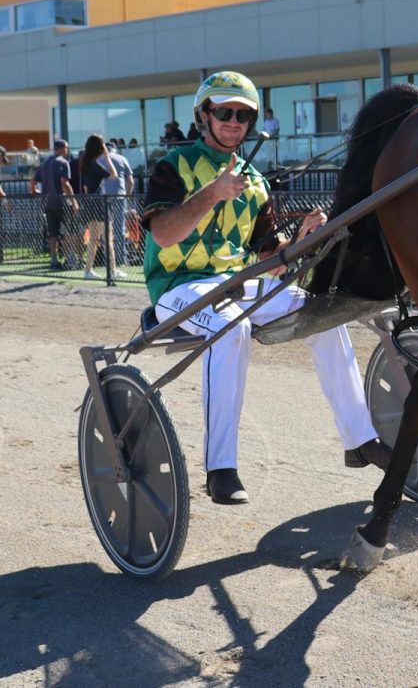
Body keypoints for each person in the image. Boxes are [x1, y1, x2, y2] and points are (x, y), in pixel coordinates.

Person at [141, 70, 390, 504]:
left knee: (323, 314)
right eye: (225, 112)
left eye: (243, 115)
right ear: (204, 114)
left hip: (240, 285)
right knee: (230, 328)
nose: (234, 121)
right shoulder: (172, 166)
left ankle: (360, 438)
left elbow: (271, 260)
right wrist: (213, 194)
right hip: (179, 289)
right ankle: (221, 469)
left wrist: (304, 239)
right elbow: (163, 234)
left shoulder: (254, 182)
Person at [79, 135, 123, 280]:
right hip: (99, 204)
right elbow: (114, 175)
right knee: (108, 238)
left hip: (91, 204)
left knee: (93, 240)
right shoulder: (94, 165)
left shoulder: (85, 164)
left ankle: (88, 270)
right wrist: (107, 157)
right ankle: (112, 271)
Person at [29, 138, 77, 270]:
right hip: (61, 202)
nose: (67, 150)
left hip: (48, 203)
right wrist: (73, 201)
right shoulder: (63, 162)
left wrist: (34, 192)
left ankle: (54, 261)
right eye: (66, 147)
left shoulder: (44, 164)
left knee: (53, 234)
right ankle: (69, 259)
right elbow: (65, 183)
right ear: (62, 149)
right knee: (69, 231)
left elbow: (32, 182)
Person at [102, 139, 135, 271]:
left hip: (103, 197)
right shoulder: (122, 158)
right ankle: (121, 258)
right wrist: (127, 195)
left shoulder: (100, 160)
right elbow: (130, 181)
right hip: (120, 195)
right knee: (119, 228)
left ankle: (107, 259)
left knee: (105, 229)